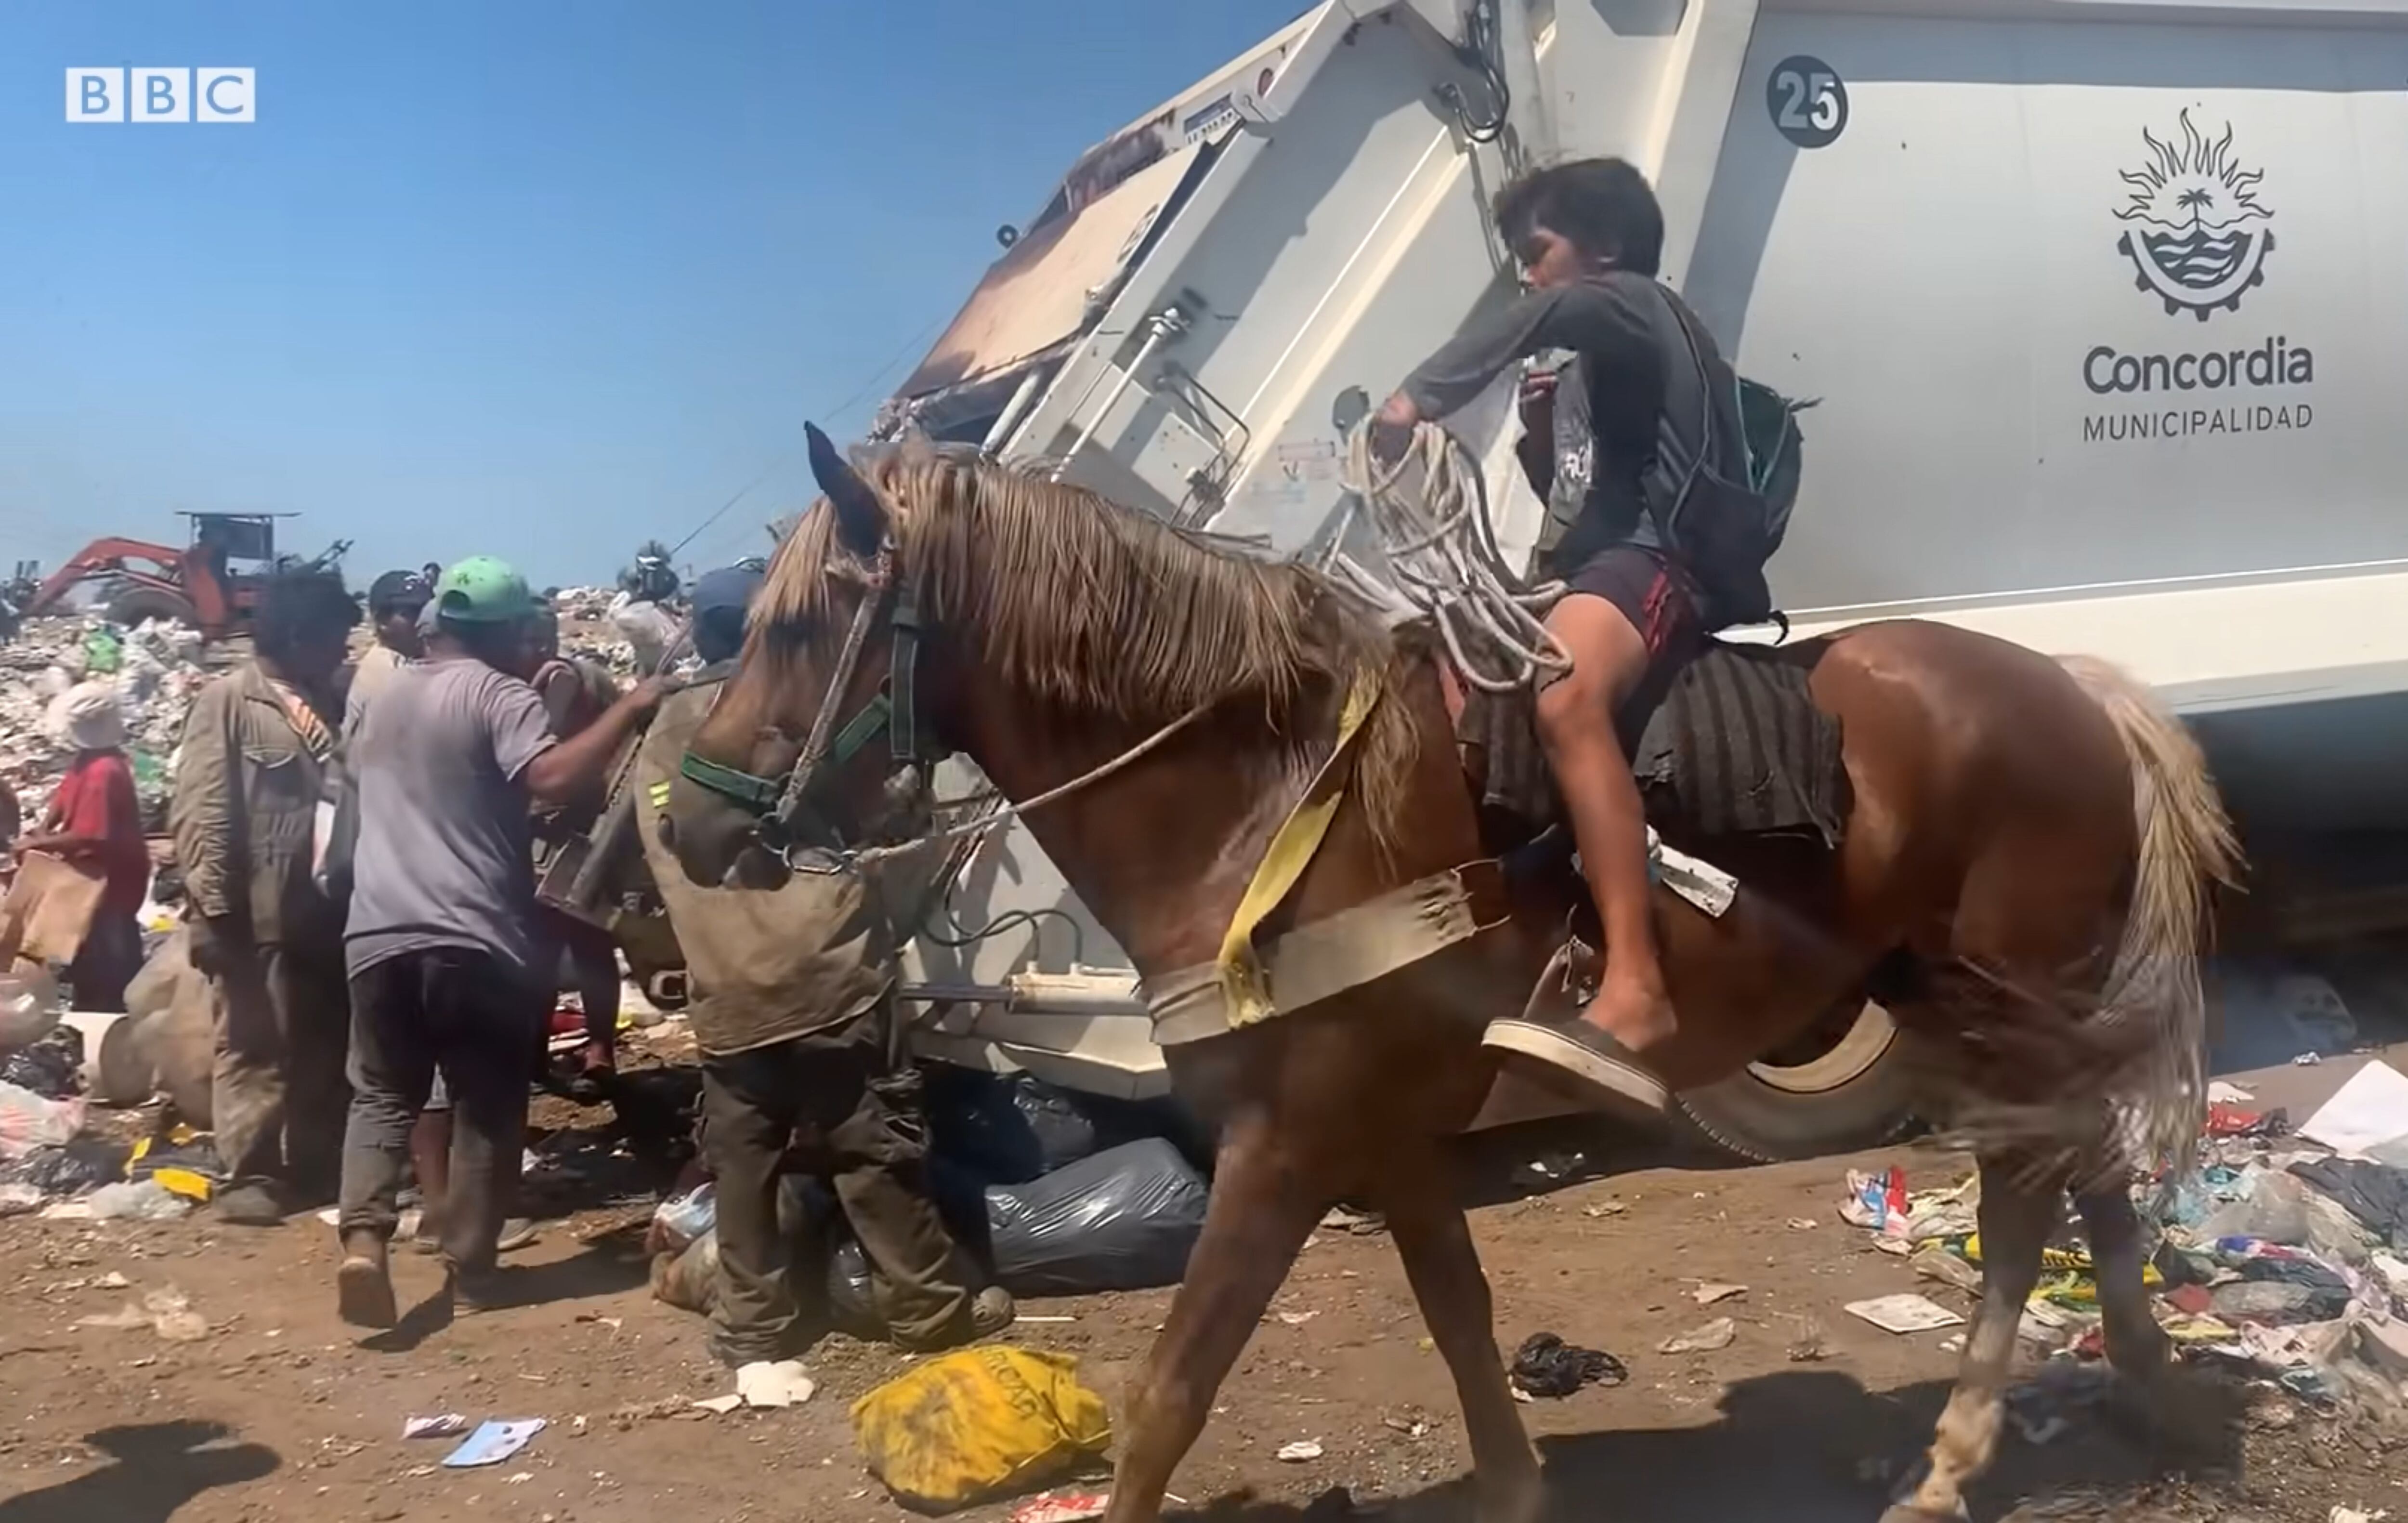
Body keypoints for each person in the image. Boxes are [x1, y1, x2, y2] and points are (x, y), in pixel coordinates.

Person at [1374, 158, 1727, 1120]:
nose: (1527, 278)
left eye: (1537, 254)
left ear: (1603, 250)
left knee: (1565, 691)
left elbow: (1551, 318)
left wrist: (1416, 400)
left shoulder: (1630, 305)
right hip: (1594, 561)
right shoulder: (1582, 373)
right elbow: (1571, 495)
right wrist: (1535, 438)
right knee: (1436, 679)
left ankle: (1638, 986)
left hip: (1657, 561)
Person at [637, 565, 1010, 1361]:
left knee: (743, 1170)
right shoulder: (795, 714)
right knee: (873, 1155)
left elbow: (655, 856)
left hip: (727, 989)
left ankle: (751, 1327)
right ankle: (927, 1309)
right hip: (831, 975)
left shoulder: (663, 733)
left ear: (699, 631)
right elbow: (886, 814)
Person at [335, 556, 664, 1328]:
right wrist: (633, 709)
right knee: (487, 1104)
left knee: (383, 1094)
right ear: (503, 632)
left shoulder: (380, 699)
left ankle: (363, 1242)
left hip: (375, 931)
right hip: (471, 936)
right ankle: (473, 1269)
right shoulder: (497, 691)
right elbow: (551, 780)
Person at [170, 573, 358, 1223]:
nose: (344, 650)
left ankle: (310, 1164)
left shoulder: (329, 701)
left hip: (324, 911)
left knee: (319, 1041)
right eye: (336, 637)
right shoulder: (230, 702)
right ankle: (248, 1172)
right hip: (257, 911)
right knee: (254, 1042)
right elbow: (205, 811)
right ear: (301, 636)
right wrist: (218, 914)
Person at [523, 600, 625, 1095]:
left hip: (556, 834)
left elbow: (539, 750)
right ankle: (593, 1050)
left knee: (547, 948)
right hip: (590, 830)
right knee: (590, 946)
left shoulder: (554, 678)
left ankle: (556, 1053)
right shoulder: (589, 677)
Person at [21, 683, 150, 1012]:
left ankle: (114, 1020)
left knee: (110, 960)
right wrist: (45, 827)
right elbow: (64, 798)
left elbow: (92, 836)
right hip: (92, 876)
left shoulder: (104, 772)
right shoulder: (88, 760)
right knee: (88, 951)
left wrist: (38, 843)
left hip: (112, 882)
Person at [344, 569, 432, 732]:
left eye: (426, 611)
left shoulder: (403, 660)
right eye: (410, 614)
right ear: (382, 620)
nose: (423, 620)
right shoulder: (388, 672)